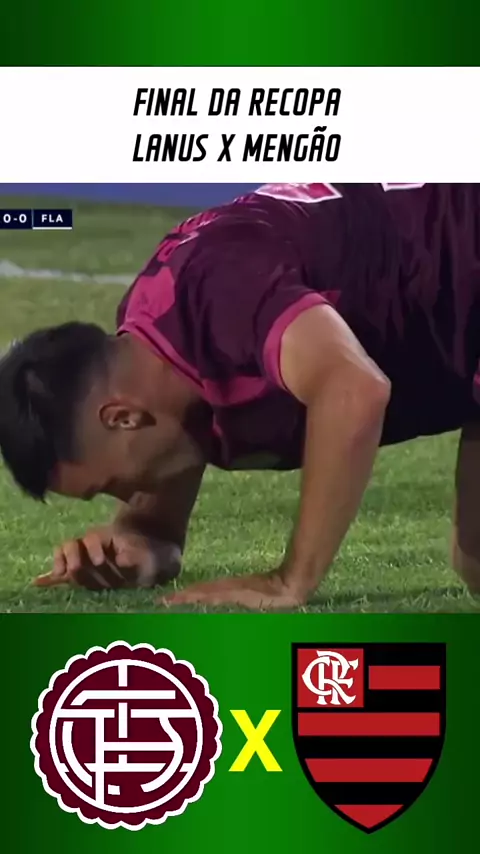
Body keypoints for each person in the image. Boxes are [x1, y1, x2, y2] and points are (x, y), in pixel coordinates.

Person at [1, 182, 480, 611]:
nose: (126, 497)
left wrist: (290, 581)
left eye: (110, 485)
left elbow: (353, 388)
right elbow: (161, 521)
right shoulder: (156, 355)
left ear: (122, 417)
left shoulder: (221, 292)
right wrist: (141, 540)